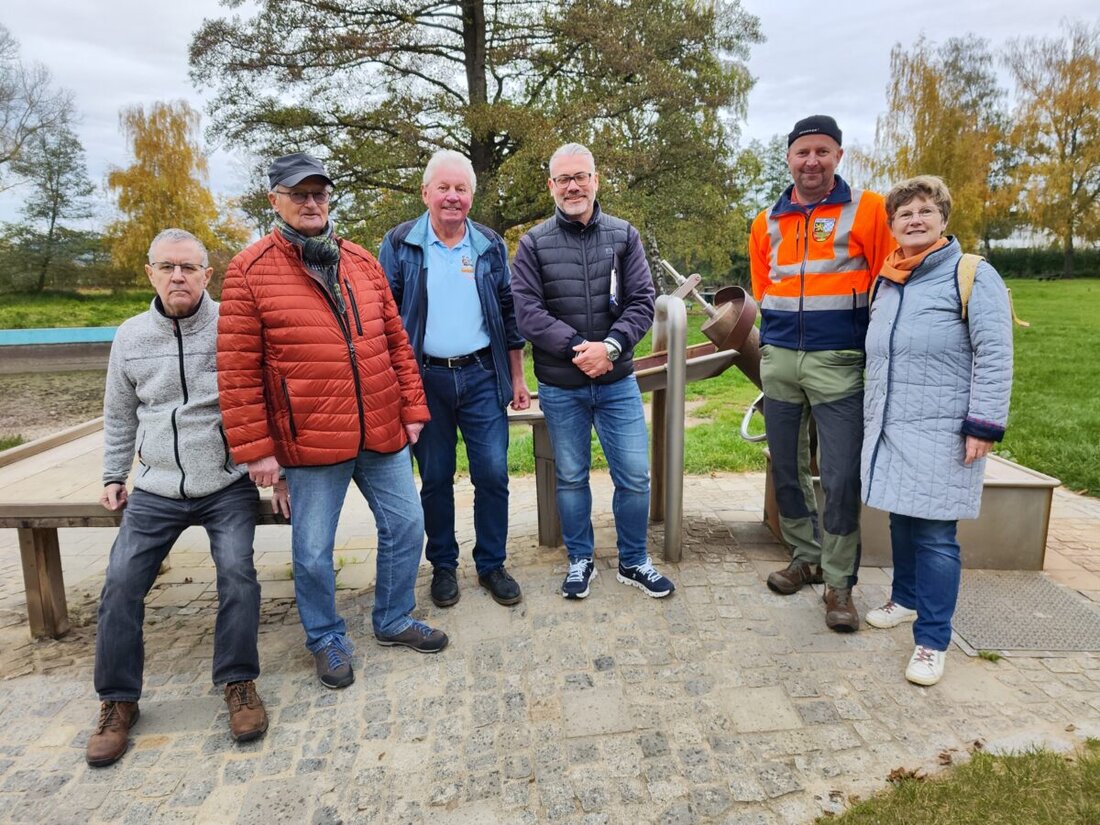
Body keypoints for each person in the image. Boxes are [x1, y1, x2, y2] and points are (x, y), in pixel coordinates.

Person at [217, 152, 447, 692]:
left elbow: (395, 342)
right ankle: (324, 636)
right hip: (310, 437)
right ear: (274, 200)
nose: (312, 203)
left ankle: (392, 618)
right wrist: (256, 449)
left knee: (407, 525)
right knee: (314, 549)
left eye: (319, 193)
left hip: (380, 427)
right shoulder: (248, 272)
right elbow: (236, 370)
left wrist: (412, 407)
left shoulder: (361, 262)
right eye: (300, 194)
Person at [86, 228, 283, 767]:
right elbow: (120, 412)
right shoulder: (129, 336)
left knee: (238, 574)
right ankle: (118, 700)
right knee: (121, 581)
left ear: (206, 274)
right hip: (156, 487)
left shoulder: (232, 325)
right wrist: (112, 473)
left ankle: (239, 683)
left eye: (189, 267)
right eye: (167, 266)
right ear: (149, 273)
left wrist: (278, 469)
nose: (178, 276)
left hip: (225, 482)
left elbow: (267, 397)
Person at [861, 175, 1013, 686]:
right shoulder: (888, 278)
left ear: (944, 220)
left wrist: (983, 425)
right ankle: (904, 599)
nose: (916, 220)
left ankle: (932, 639)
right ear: (893, 226)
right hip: (894, 422)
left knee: (935, 533)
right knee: (901, 519)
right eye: (905, 214)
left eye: (926, 211)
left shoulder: (971, 275)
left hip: (945, 426)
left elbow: (994, 353)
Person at [749, 115, 895, 632]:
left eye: (822, 151)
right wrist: (772, 347)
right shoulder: (766, 220)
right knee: (786, 467)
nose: (812, 160)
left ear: (838, 155)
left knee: (838, 475)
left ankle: (839, 584)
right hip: (782, 360)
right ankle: (805, 557)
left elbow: (885, 282)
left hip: (840, 362)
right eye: (802, 152)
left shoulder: (870, 209)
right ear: (788, 158)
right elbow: (764, 285)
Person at [511, 142, 674, 600]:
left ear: (596, 180)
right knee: (570, 476)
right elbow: (527, 311)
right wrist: (578, 348)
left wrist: (612, 346)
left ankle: (633, 560)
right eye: (563, 179)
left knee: (635, 475)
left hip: (617, 380)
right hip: (562, 385)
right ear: (551, 186)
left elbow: (643, 301)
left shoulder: (624, 236)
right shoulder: (533, 243)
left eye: (581, 176)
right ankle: (580, 559)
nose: (573, 186)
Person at [379, 150, 531, 608]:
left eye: (460, 189)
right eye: (443, 188)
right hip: (424, 380)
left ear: (471, 195)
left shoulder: (488, 244)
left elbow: (509, 314)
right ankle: (443, 566)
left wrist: (517, 379)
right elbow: (385, 318)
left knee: (493, 473)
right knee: (436, 477)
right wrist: (397, 391)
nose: (451, 197)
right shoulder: (401, 242)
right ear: (425, 193)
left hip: (483, 375)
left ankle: (491, 564)